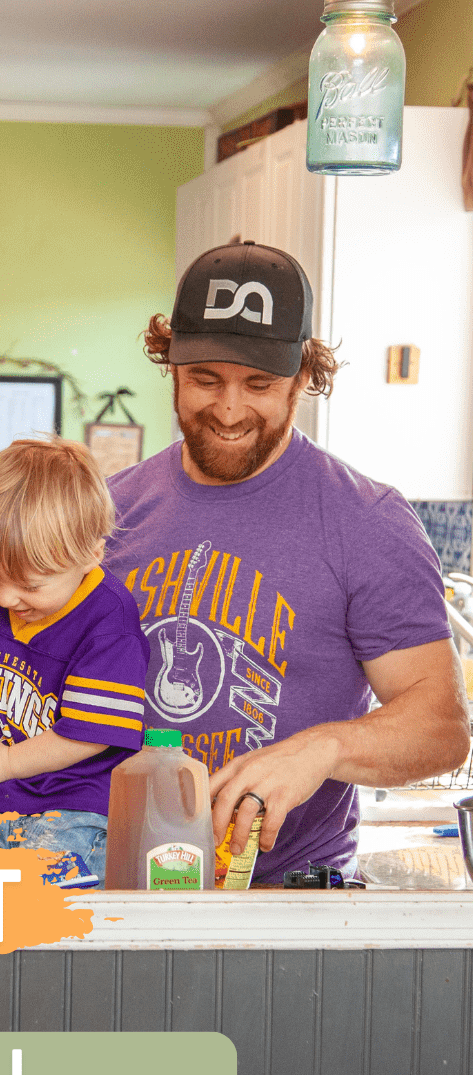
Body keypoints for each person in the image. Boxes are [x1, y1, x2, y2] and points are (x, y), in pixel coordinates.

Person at [107, 241, 468, 881]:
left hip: (287, 898)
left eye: (260, 384)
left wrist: (323, 748)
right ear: (171, 366)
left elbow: (440, 727)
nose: (228, 409)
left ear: (305, 376)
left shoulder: (368, 522)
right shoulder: (108, 511)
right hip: (116, 883)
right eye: (205, 379)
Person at [0, 436, 151, 881]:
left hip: (74, 806)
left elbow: (90, 734)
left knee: (45, 891)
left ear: (91, 555)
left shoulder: (108, 619)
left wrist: (5, 762)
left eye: (30, 584)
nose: (5, 597)